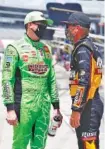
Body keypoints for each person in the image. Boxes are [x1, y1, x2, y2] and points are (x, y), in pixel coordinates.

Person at [2, 11, 62, 149]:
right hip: (23, 106)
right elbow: (6, 80)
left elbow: (51, 79)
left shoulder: (46, 49)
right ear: (30, 25)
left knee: (40, 145)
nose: (44, 27)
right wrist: (10, 108)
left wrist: (57, 108)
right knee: (20, 145)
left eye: (45, 25)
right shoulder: (14, 48)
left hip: (44, 107)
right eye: (41, 24)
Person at [63, 12, 104, 149]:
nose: (67, 29)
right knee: (85, 145)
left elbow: (83, 81)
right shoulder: (90, 46)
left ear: (77, 28)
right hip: (89, 103)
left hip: (88, 105)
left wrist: (76, 110)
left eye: (69, 26)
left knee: (89, 145)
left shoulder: (83, 49)